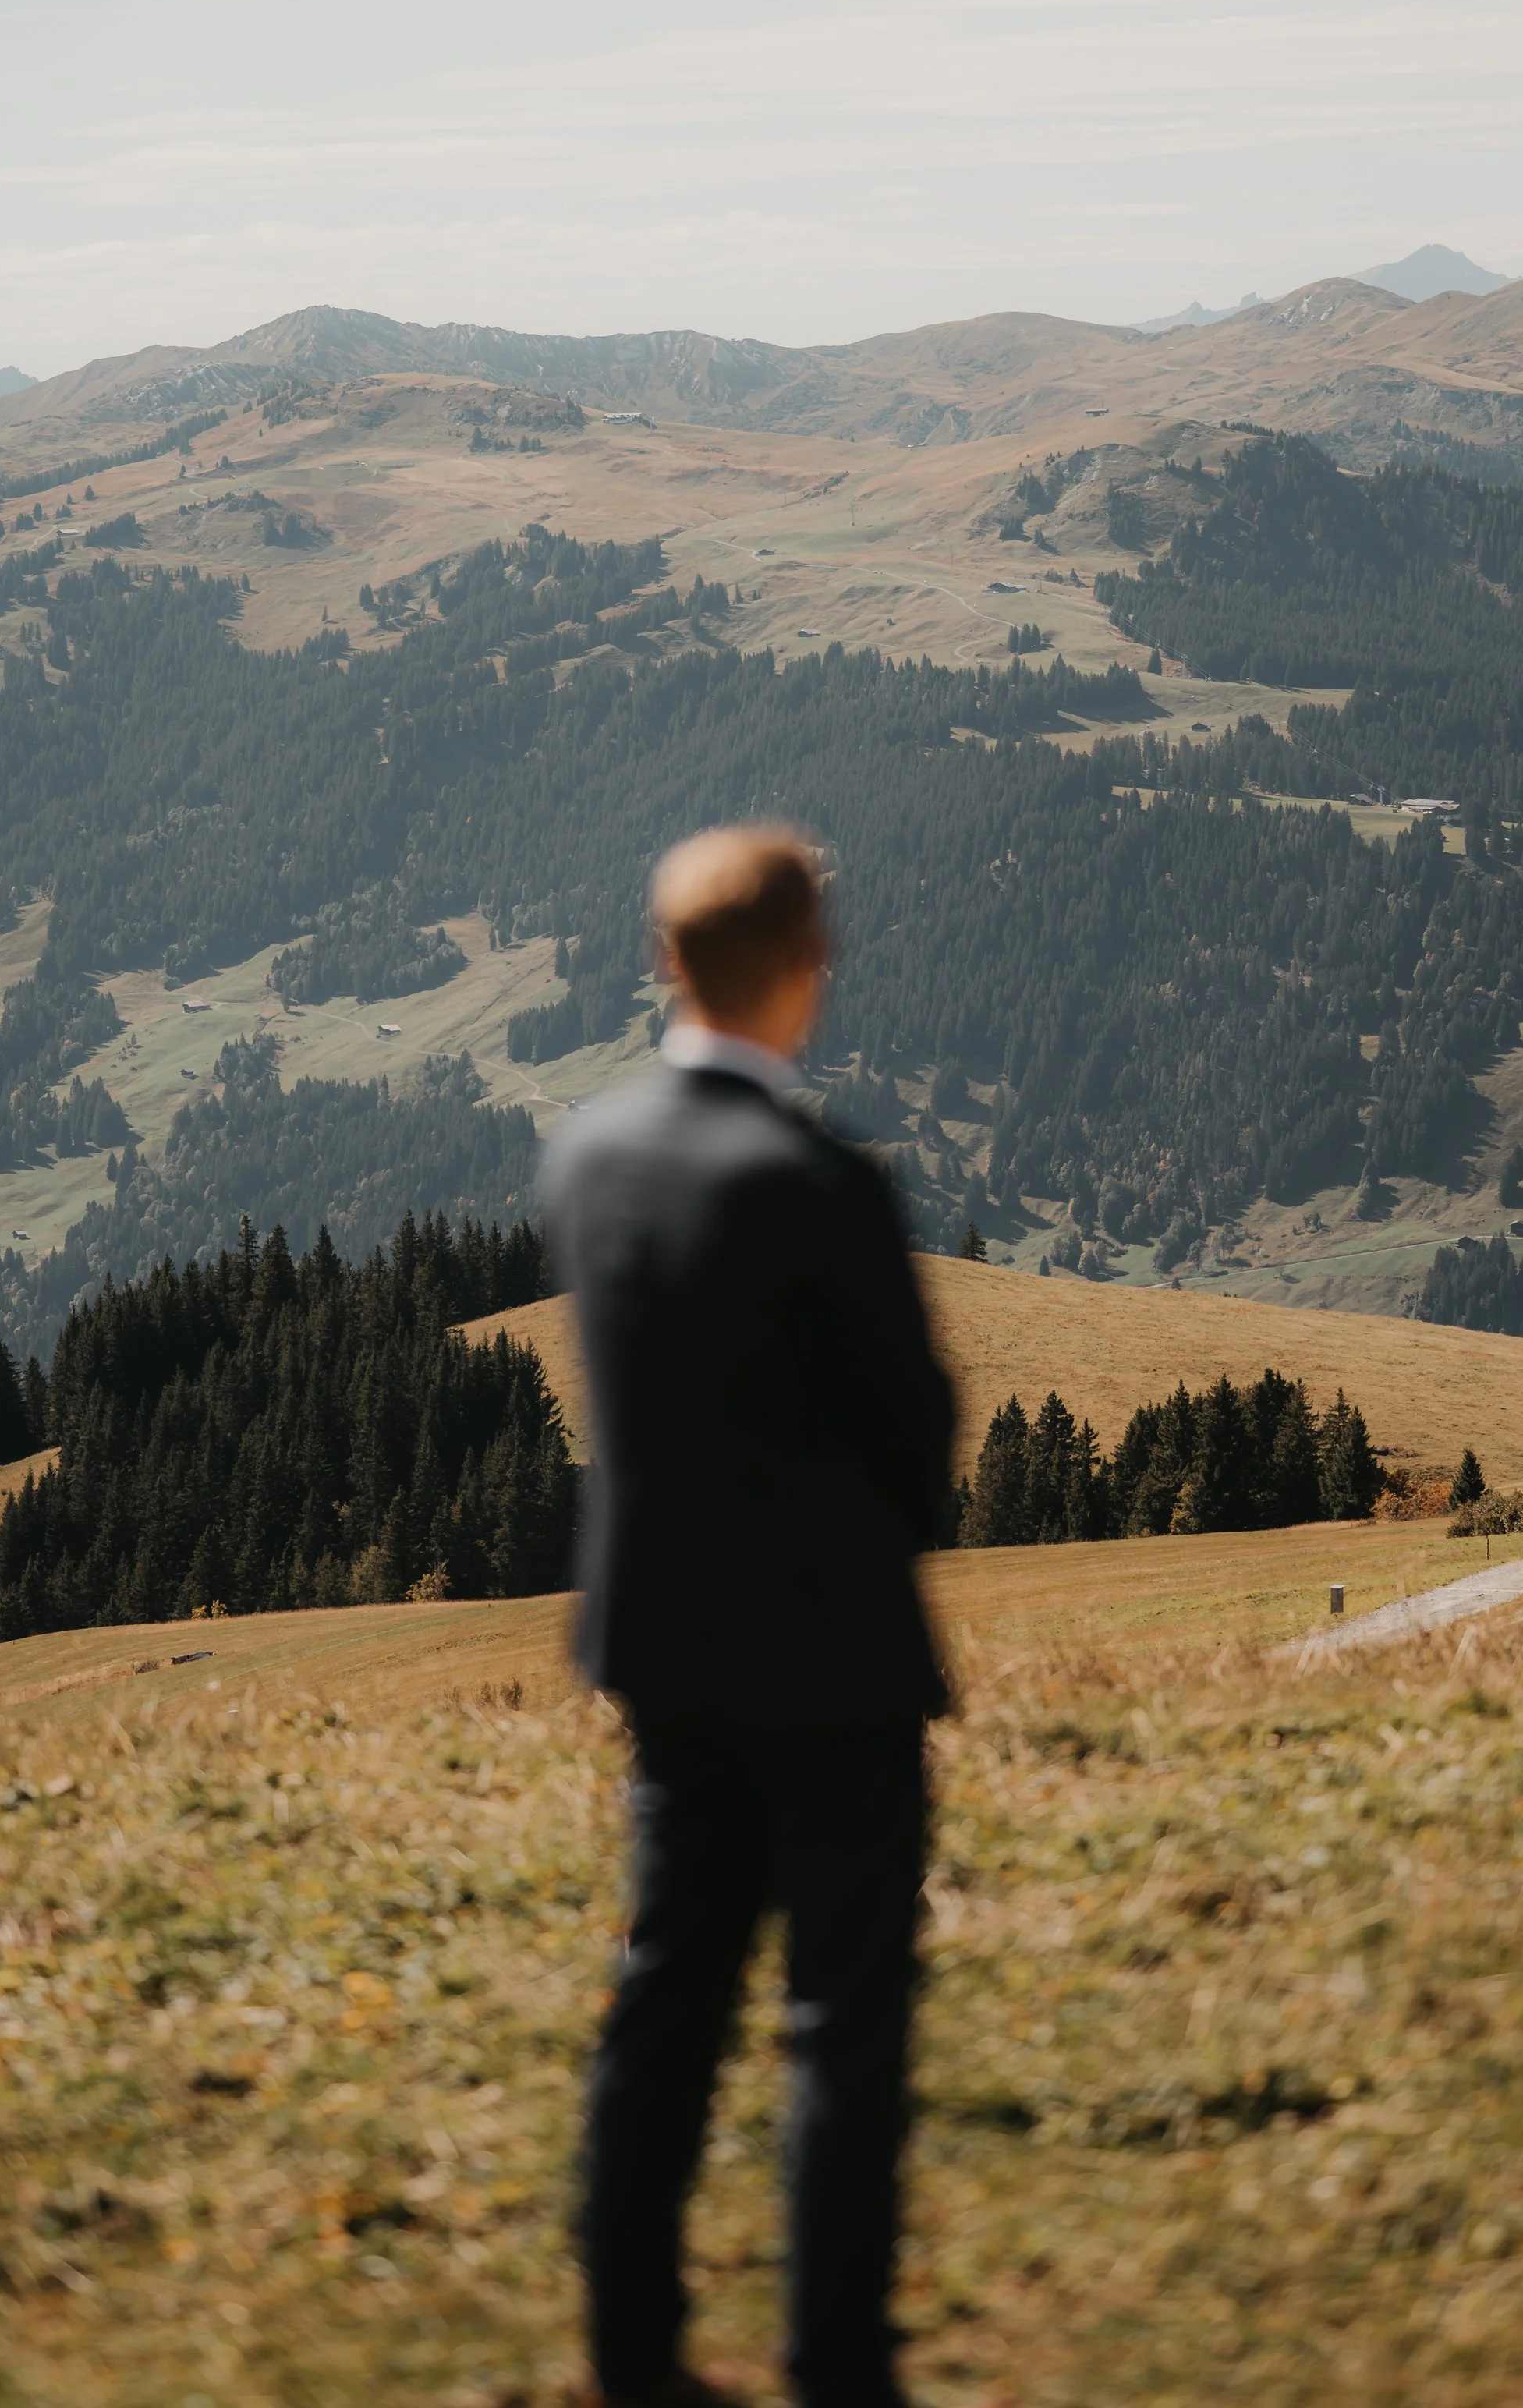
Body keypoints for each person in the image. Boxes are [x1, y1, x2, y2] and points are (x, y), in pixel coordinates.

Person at [543, 824, 957, 2408]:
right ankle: (833, 2368)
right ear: (809, 970)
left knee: (664, 2001)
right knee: (841, 2027)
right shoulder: (819, 1182)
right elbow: (912, 1434)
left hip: (662, 1652)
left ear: (663, 964)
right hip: (837, 1661)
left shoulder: (585, 1156)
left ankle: (630, 2358)